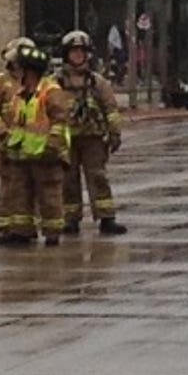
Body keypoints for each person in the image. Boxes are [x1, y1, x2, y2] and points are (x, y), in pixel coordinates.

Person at [0, 38, 71, 246]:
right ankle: (20, 231)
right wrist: (4, 135)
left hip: (46, 153)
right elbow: (5, 116)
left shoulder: (49, 90)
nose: (18, 73)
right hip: (20, 151)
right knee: (18, 192)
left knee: (49, 195)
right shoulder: (16, 89)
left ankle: (51, 233)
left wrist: (52, 145)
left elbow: (59, 121)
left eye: (22, 68)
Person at [53, 29, 127, 236]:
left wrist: (115, 133)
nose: (78, 55)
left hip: (93, 138)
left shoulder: (98, 82)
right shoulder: (55, 82)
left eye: (82, 51)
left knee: (98, 177)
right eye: (74, 51)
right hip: (67, 138)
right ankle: (70, 219)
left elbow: (110, 109)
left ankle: (106, 217)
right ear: (66, 54)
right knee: (68, 180)